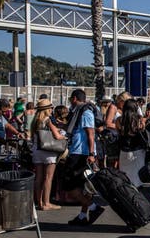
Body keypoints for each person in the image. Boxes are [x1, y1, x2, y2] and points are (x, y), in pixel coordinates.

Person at [63, 89, 105, 226]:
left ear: (75, 98)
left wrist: (91, 154)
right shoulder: (78, 112)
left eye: (71, 99)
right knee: (83, 187)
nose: (70, 101)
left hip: (80, 153)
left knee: (69, 185)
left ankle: (93, 207)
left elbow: (91, 134)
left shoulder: (85, 112)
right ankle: (82, 216)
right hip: (79, 152)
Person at [31, 99, 67, 211]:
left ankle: (39, 202)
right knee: (48, 178)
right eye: (50, 108)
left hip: (37, 151)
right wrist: (64, 137)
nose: (52, 110)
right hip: (48, 152)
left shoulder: (35, 121)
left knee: (39, 178)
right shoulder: (47, 120)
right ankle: (46, 203)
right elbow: (56, 136)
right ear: (46, 109)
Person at [116, 99, 148, 187]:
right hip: (138, 151)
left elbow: (118, 132)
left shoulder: (119, 120)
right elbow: (142, 130)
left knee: (126, 175)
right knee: (137, 176)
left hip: (124, 150)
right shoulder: (139, 121)